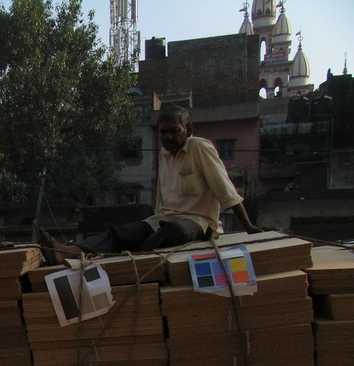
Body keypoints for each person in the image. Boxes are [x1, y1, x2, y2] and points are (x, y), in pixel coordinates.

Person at [40, 104, 262, 264]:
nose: (168, 137)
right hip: (164, 219)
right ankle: (68, 251)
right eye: (164, 132)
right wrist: (149, 224)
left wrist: (249, 227)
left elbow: (226, 191)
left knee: (174, 230)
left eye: (174, 131)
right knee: (122, 232)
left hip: (198, 223)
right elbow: (161, 201)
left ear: (189, 130)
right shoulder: (164, 154)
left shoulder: (199, 147)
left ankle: (128, 259)